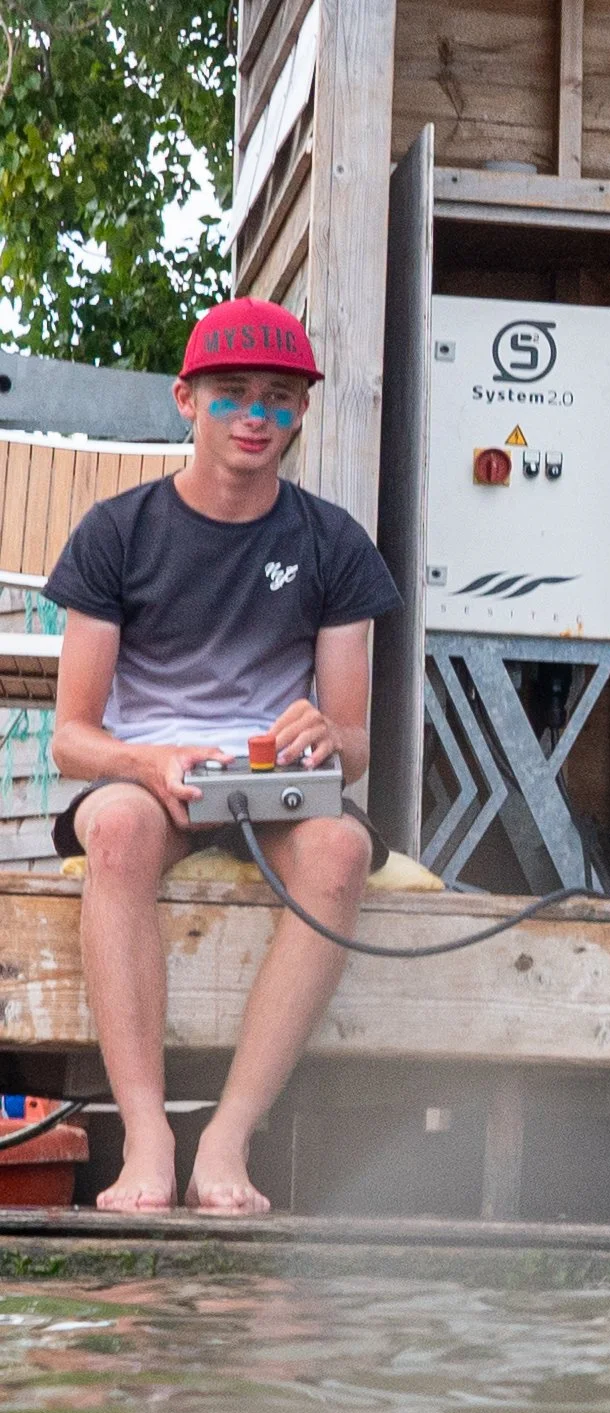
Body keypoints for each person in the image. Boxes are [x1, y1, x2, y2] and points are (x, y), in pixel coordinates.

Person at [44, 298, 400, 1214]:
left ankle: (230, 1138)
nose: (255, 415)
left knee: (342, 850)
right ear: (185, 399)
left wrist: (326, 737)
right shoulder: (118, 531)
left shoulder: (333, 543)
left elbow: (354, 746)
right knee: (115, 830)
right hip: (148, 778)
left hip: (268, 787)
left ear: (303, 414)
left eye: (280, 399)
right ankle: (148, 1138)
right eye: (233, 393)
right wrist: (146, 762)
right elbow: (72, 737)